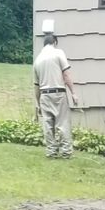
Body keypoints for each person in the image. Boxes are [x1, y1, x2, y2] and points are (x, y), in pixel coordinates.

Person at [33, 23, 79, 159]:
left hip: (44, 95)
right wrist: (73, 93)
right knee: (62, 123)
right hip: (58, 93)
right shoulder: (58, 53)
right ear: (55, 42)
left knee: (48, 125)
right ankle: (66, 152)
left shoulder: (37, 60)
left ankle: (51, 152)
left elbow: (36, 85)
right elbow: (66, 74)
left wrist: (38, 103)